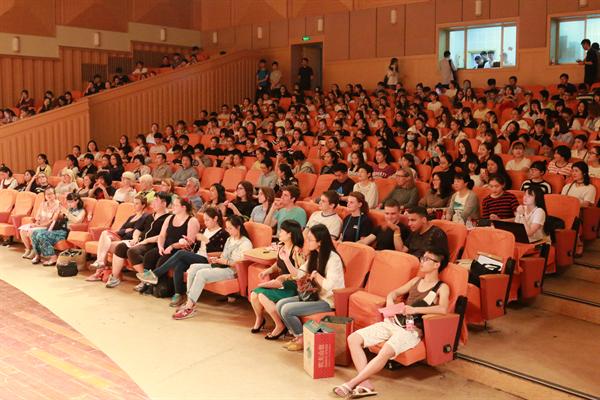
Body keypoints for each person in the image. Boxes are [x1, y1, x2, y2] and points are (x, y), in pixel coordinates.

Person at [334, 245, 450, 399]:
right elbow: (394, 293)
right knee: (353, 339)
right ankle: (365, 383)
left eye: (427, 259)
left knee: (385, 351)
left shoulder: (442, 287)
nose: (422, 261)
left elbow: (443, 309)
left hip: (411, 330)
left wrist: (415, 310)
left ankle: (351, 384)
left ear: (437, 264)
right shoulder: (416, 280)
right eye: (422, 258)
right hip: (394, 322)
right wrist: (390, 302)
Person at [137, 207, 230, 307]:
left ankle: (155, 274)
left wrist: (206, 241)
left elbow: (220, 253)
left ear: (215, 219)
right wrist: (189, 243)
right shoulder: (204, 230)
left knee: (181, 254)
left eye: (207, 220)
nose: (205, 222)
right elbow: (195, 248)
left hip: (208, 259)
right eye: (204, 220)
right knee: (179, 264)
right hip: (197, 256)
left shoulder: (223, 234)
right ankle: (178, 294)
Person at [276, 224, 345, 351]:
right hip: (314, 296)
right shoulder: (315, 255)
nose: (307, 242)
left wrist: (317, 276)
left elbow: (331, 288)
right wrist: (286, 260)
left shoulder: (333, 259)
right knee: (280, 304)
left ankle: (301, 339)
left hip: (327, 301)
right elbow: (298, 274)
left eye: (310, 240)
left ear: (320, 242)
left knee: (286, 309)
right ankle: (298, 336)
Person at [172, 215, 253, 320]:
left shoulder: (246, 243)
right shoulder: (230, 239)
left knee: (201, 274)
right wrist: (217, 259)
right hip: (222, 265)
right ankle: (190, 301)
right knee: (193, 267)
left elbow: (242, 263)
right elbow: (223, 255)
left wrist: (225, 261)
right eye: (227, 228)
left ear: (238, 227)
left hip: (232, 271)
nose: (228, 231)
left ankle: (189, 307)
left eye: (230, 228)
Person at [101, 192, 172, 289]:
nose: (153, 203)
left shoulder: (168, 218)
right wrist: (135, 239)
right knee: (121, 247)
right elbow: (138, 229)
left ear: (164, 204)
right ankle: (115, 278)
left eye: (156, 200)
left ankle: (145, 280)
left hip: (153, 244)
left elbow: (162, 236)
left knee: (132, 251)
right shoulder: (150, 216)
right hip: (141, 241)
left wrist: (146, 241)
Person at [250, 220, 305, 338]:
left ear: (290, 234)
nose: (279, 233)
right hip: (280, 283)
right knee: (254, 294)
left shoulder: (297, 251)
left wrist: (283, 278)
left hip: (293, 285)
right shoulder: (281, 247)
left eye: (282, 231)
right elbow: (278, 264)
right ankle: (260, 319)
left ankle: (280, 325)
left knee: (262, 296)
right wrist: (267, 271)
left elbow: (301, 274)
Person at [133, 196, 200, 289]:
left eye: (176, 205)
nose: (173, 207)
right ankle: (147, 283)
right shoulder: (170, 218)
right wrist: (160, 246)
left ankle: (158, 287)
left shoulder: (192, 221)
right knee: (149, 256)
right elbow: (162, 235)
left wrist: (172, 246)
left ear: (183, 207)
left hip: (179, 251)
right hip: (166, 247)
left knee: (162, 260)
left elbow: (189, 242)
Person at [89, 195, 150, 271]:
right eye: (133, 203)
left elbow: (136, 230)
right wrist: (125, 230)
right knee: (105, 234)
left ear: (143, 205)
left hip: (129, 240)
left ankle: (100, 265)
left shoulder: (145, 216)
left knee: (105, 244)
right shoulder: (131, 217)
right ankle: (100, 263)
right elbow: (121, 230)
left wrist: (128, 231)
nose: (134, 205)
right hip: (121, 237)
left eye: (137, 203)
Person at [31, 193, 86, 266]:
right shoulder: (70, 209)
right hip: (59, 229)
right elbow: (62, 218)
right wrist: (59, 214)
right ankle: (38, 255)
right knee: (35, 232)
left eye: (71, 202)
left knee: (41, 235)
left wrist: (67, 213)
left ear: (77, 201)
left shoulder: (82, 211)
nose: (69, 204)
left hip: (67, 231)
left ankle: (53, 257)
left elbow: (77, 221)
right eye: (68, 202)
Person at [18, 187, 60, 259]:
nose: (49, 196)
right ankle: (28, 249)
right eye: (47, 194)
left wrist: (37, 226)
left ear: (55, 195)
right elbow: (38, 217)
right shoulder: (43, 204)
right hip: (39, 225)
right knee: (22, 231)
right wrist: (36, 224)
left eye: (51, 194)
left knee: (31, 232)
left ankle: (35, 251)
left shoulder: (58, 205)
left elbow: (52, 221)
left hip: (47, 227)